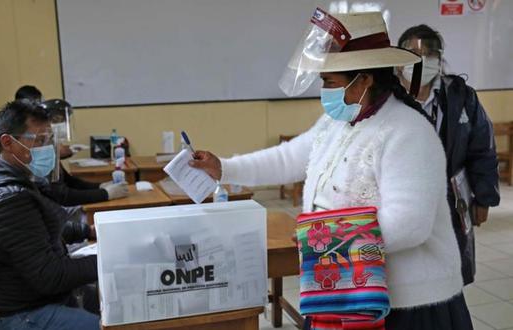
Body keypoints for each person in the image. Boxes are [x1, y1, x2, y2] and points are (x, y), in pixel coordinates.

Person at [191, 10, 472, 329]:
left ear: (364, 80)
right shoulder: (337, 122)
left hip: (406, 303)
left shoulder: (407, 132)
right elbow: (287, 159)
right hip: (345, 286)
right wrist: (223, 168)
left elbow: (410, 225)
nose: (324, 90)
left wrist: (322, 243)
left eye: (330, 82)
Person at [0, 100, 99, 330]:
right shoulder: (6, 199)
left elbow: (38, 228)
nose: (48, 148)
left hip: (34, 298)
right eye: (40, 141)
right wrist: (105, 259)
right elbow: (50, 276)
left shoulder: (16, 177)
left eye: (50, 140)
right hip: (18, 313)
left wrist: (86, 230)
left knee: (111, 303)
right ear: (8, 142)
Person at [397, 24, 500, 285]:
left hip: (451, 199)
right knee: (406, 276)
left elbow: (482, 150)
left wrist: (484, 198)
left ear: (439, 60)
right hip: (402, 201)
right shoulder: (387, 98)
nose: (422, 62)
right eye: (413, 55)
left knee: (448, 274)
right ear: (398, 62)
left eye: (429, 55)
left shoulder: (461, 96)